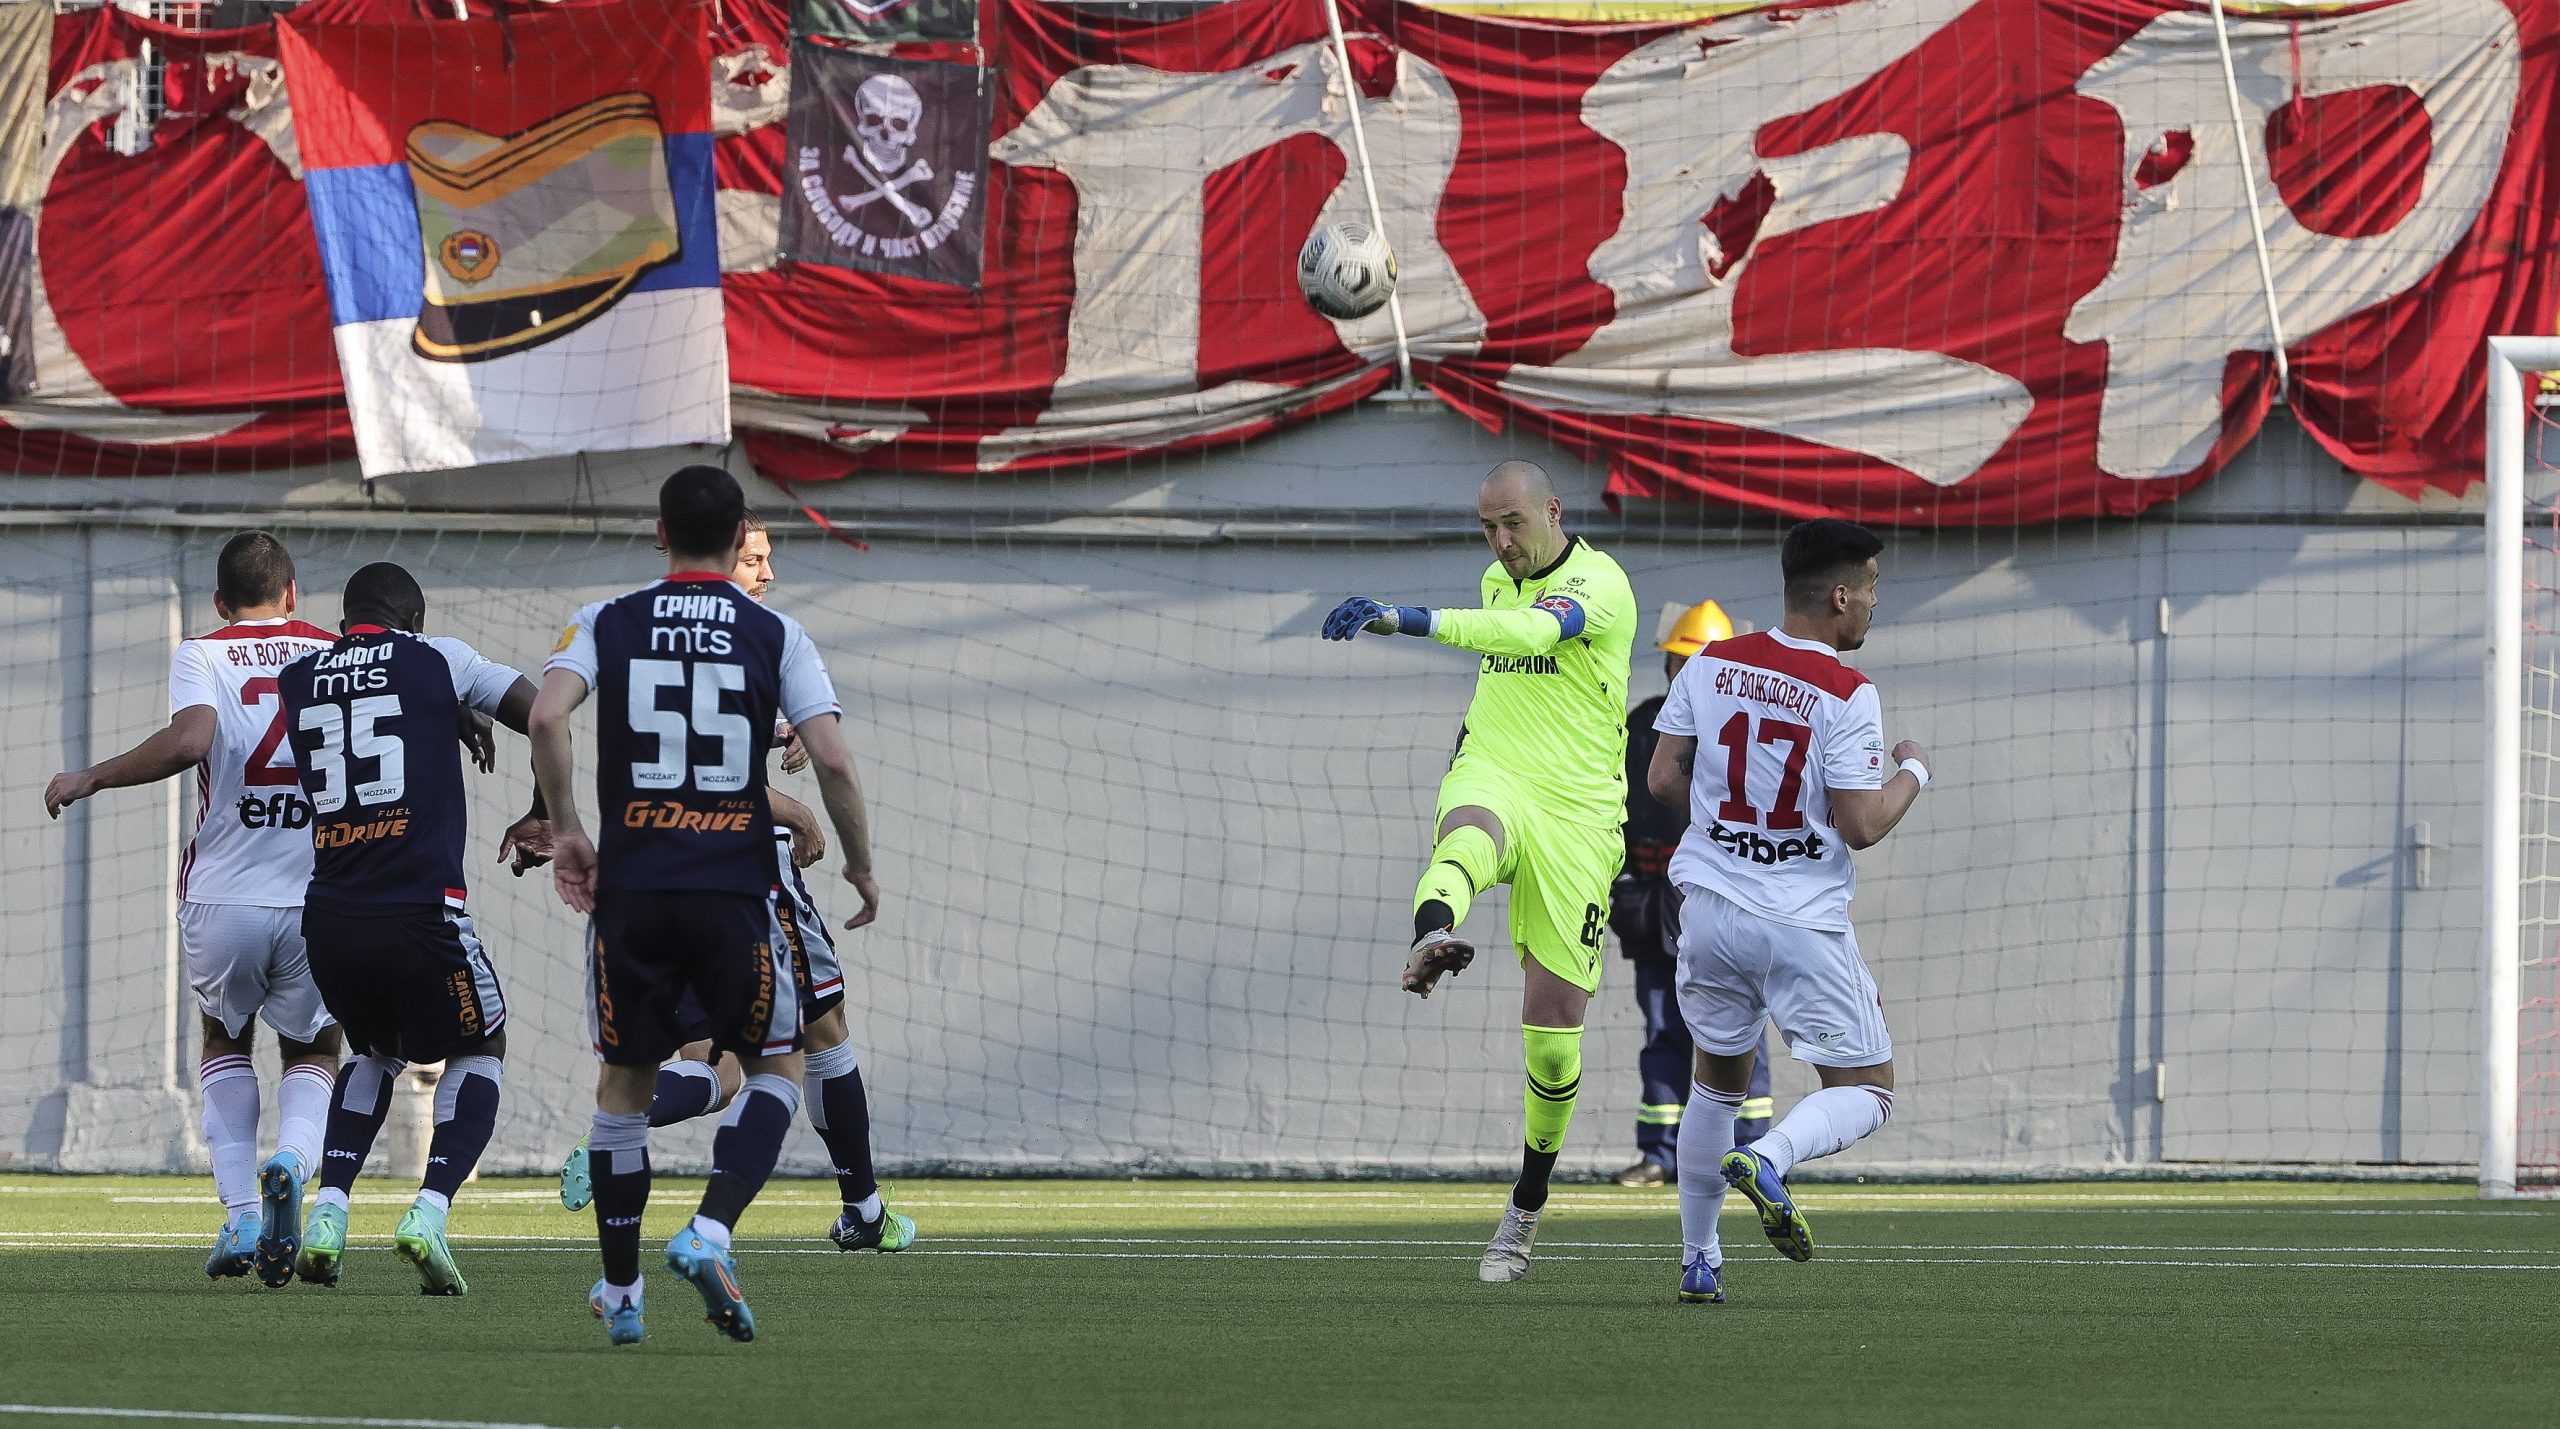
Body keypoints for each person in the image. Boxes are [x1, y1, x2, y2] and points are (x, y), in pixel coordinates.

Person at [531, 465, 883, 1346]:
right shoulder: (775, 629)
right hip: (734, 889)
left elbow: (544, 717)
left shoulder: (606, 618)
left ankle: (620, 1291)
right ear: (737, 546)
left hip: (635, 892)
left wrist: (570, 828)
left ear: (658, 534)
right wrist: (860, 864)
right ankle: (711, 1227)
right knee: (777, 1065)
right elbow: (833, 760)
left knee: (623, 1088)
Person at [1321, 459, 1636, 1282]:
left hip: (1579, 814)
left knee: (1555, 1035)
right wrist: (1470, 752)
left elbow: (1532, 635)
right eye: (1489, 529)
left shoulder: (1602, 585)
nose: (1501, 544)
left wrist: (1407, 619)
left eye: (1514, 525)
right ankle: (1433, 938)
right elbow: (1505, 659)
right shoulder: (1496, 578)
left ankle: (1526, 1206)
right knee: (1463, 841)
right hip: (1496, 769)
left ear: (1553, 511)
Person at [41, 531, 341, 1286]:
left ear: (219, 601)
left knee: (222, 1036)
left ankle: (241, 1211)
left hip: (223, 893)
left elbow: (192, 738)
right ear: (294, 593)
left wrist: (93, 776)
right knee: (315, 1048)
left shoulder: (203, 651)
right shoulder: (334, 649)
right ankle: (293, 1163)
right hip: (318, 893)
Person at [1645, 519, 1929, 1305]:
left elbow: (1665, 780)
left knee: (1714, 1085)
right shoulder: (1847, 691)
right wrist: (1915, 771)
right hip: (1799, 919)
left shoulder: (1712, 660)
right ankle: (1768, 1158)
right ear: (1840, 596)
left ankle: (1699, 1262)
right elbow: (1861, 824)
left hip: (1708, 909)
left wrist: (1728, 827)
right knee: (1871, 1088)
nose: (1873, 603)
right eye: (1871, 588)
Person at [274, 562, 545, 1294]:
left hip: (329, 918)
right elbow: (546, 712)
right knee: (482, 1041)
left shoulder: (299, 677)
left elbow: (366, 713)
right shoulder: (439, 660)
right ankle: (428, 1210)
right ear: (414, 623)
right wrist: (545, 809)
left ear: (344, 621)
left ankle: (328, 1211)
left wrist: (439, 713)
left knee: (374, 1047)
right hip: (422, 913)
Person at [1610, 599, 1771, 1189]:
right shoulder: (1640, 726)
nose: (1692, 670)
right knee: (1661, 1026)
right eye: (1683, 660)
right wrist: (1618, 874)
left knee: (1736, 1023)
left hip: (1724, 897)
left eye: (1705, 659)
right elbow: (1614, 805)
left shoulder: (1747, 728)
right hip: (1653, 900)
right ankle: (1660, 1153)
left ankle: (1751, 1153)